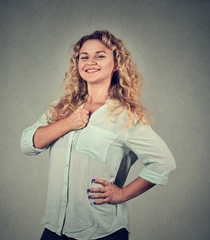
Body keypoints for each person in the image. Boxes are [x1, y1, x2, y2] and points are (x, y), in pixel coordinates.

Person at [20, 30, 176, 240]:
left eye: (100, 55)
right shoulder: (62, 108)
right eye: (84, 56)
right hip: (55, 229)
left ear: (117, 63)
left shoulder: (124, 117)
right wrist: (67, 123)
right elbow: (28, 144)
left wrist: (122, 194)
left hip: (102, 232)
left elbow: (163, 162)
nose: (90, 61)